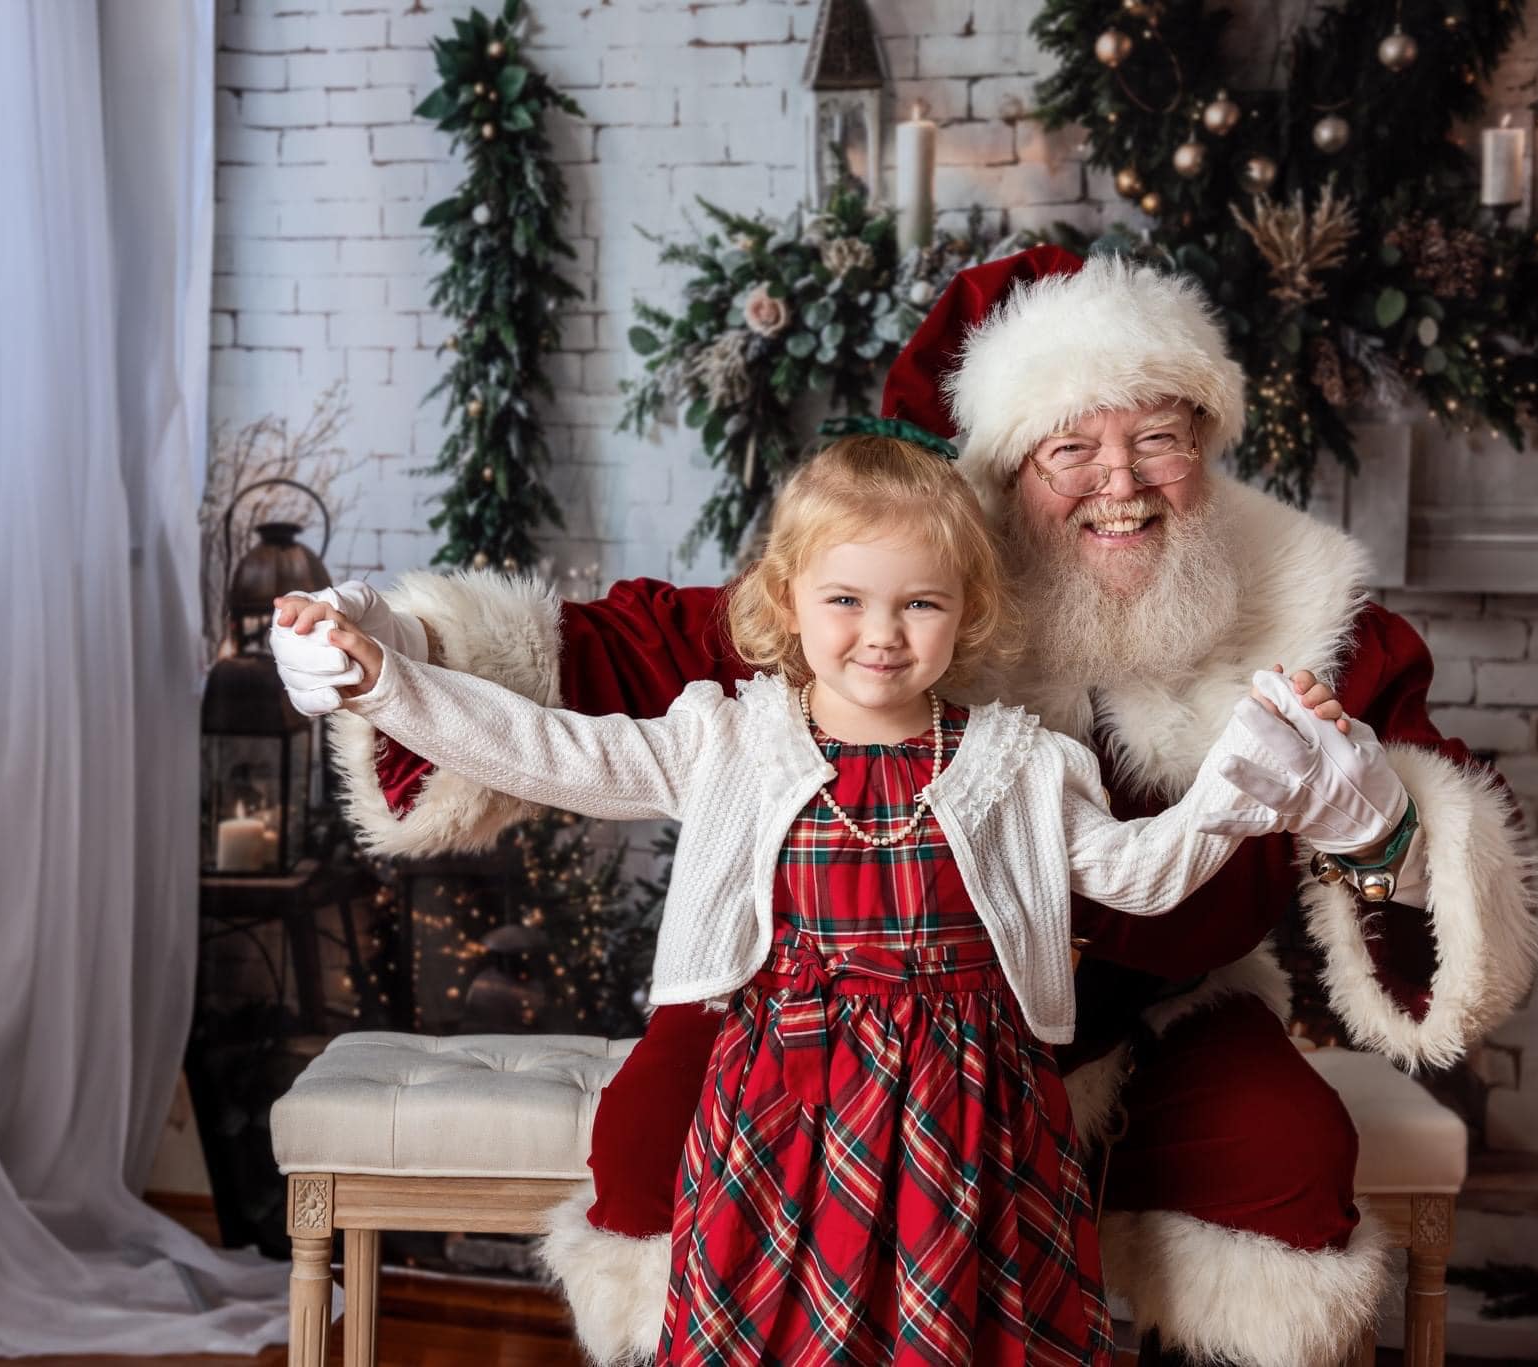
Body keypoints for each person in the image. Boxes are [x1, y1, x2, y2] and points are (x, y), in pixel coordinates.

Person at [275, 248, 1538, 1367]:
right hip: (793, 1042)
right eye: (1069, 446)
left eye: (1158, 436)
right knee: (649, 1149)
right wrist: (388, 658)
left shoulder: (1283, 622)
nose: (1120, 481)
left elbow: (1171, 862)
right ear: (1003, 468)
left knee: (1282, 1160)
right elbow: (578, 707)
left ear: (1204, 441)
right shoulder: (884, 590)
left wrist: (1356, 817)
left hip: (1113, 1030)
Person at [287, 435, 1323, 1366]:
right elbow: (546, 748)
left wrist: (1237, 781)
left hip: (974, 1122)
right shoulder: (733, 740)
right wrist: (386, 682)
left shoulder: (1014, 762)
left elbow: (1139, 873)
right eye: (846, 600)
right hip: (782, 1113)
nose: (882, 633)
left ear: (969, 608)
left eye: (920, 603)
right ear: (786, 600)